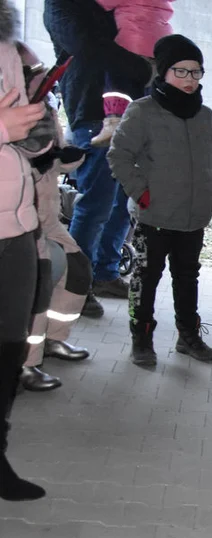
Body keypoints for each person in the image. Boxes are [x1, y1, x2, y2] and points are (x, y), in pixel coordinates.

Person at [107, 34, 212, 368]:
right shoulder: (142, 111)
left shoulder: (206, 116)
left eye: (196, 72)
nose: (190, 79)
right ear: (164, 72)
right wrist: (142, 192)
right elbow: (119, 157)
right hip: (153, 215)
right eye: (181, 71)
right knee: (146, 279)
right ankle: (141, 338)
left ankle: (188, 335)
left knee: (187, 279)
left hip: (193, 218)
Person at [43, 0, 152, 317]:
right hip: (92, 109)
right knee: (97, 203)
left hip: (132, 108)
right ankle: (74, 284)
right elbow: (92, 49)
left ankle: (104, 272)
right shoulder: (62, 6)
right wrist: (144, 65)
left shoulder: (114, 4)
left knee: (122, 198)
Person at [1, 0, 49, 501]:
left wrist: (37, 121)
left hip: (15, 229)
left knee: (8, 349)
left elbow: (28, 144)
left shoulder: (11, 43)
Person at [22, 101, 92, 392]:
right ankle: (26, 364)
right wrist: (36, 160)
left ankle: (54, 338)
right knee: (39, 282)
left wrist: (75, 153)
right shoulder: (13, 115)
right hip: (22, 225)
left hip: (50, 221)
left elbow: (61, 160)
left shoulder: (44, 109)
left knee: (78, 269)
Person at [89, 0, 174, 147]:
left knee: (115, 81)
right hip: (162, 43)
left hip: (133, 41)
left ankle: (114, 121)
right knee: (147, 92)